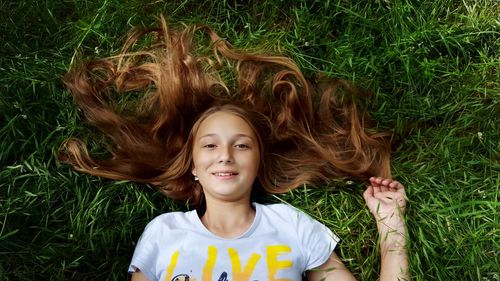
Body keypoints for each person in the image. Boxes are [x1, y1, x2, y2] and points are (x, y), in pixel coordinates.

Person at [61, 16, 409, 280]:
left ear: (258, 163)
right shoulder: (164, 233)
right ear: (193, 166)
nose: (225, 154)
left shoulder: (291, 226)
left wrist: (390, 221)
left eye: (241, 145)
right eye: (210, 145)